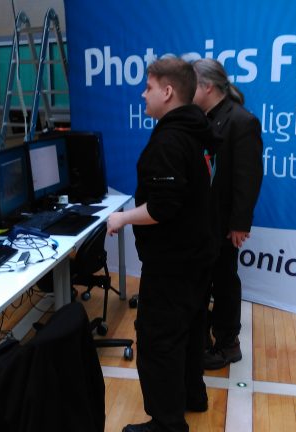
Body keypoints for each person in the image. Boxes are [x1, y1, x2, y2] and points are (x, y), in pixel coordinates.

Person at [107, 57, 216, 432]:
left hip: (173, 262)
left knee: (159, 339)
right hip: (196, 254)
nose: (143, 94)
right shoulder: (196, 130)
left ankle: (167, 424)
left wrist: (122, 218)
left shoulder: (170, 140)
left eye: (149, 87)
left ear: (168, 91)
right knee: (190, 328)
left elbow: (162, 207)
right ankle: (192, 395)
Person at [191, 58, 263, 370]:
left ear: (207, 86)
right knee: (207, 280)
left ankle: (227, 343)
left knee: (224, 282)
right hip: (203, 221)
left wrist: (239, 224)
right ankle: (205, 337)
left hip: (223, 223)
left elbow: (249, 179)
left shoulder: (242, 121)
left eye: (191, 85)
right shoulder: (204, 118)